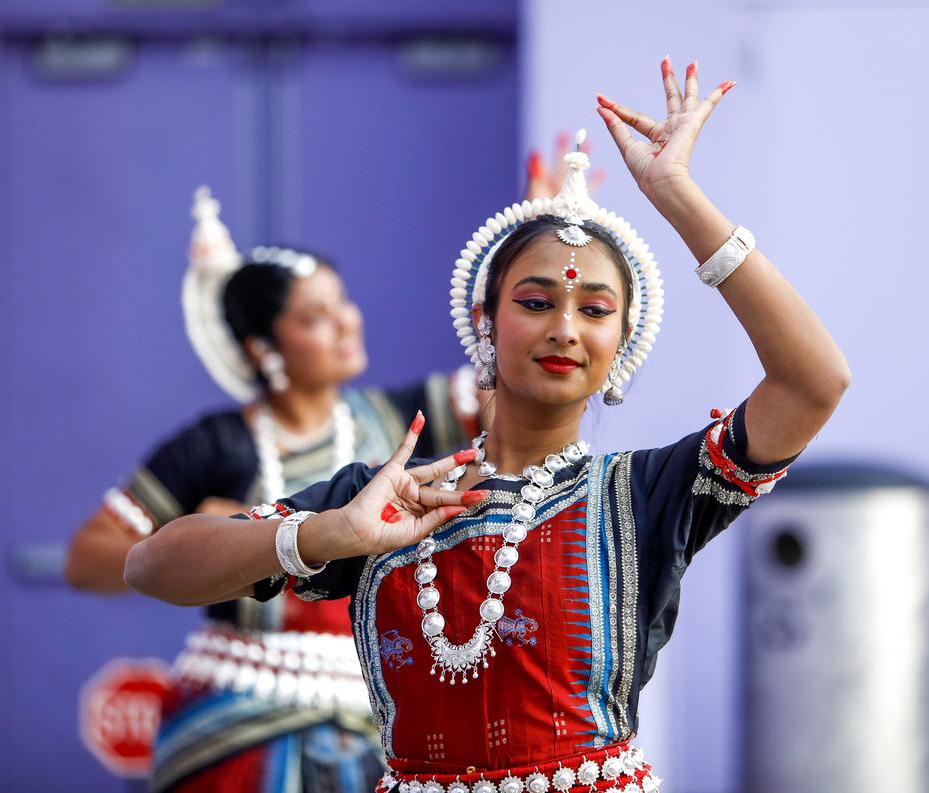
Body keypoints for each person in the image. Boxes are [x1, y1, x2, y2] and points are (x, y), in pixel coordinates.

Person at [124, 59, 850, 793]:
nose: (565, 327)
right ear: (485, 321)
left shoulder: (646, 493)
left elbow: (813, 381)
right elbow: (150, 564)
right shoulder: (384, 499)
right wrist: (326, 534)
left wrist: (678, 196)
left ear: (622, 342)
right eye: (536, 301)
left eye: (595, 310)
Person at [64, 188, 482, 792]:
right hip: (240, 717)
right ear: (264, 349)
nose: (347, 322)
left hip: (379, 714)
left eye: (343, 303)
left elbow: (508, 389)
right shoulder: (215, 446)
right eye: (316, 316)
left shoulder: (404, 423)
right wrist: (215, 537)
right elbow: (87, 560)